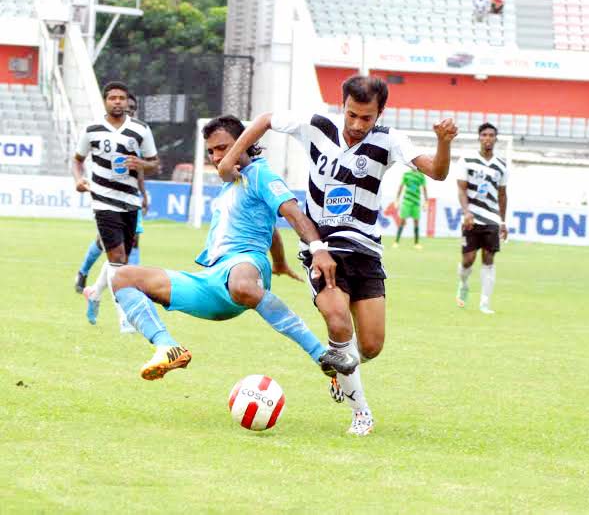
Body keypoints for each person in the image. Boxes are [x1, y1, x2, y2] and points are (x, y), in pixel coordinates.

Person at [217, 75, 458, 435]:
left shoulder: (389, 140)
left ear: (380, 113)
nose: (358, 125)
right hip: (322, 248)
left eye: (367, 118)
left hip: (365, 251)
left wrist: (443, 143)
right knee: (337, 321)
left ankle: (342, 371)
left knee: (372, 346)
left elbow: (437, 172)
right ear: (341, 105)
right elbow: (265, 118)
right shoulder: (316, 126)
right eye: (352, 115)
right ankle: (361, 413)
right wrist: (229, 162)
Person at [110, 115, 358, 383]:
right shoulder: (230, 185)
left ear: (244, 143)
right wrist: (281, 263)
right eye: (211, 151)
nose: (216, 157)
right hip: (212, 279)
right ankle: (167, 346)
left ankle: (322, 354)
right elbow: (270, 227)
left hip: (245, 265)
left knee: (241, 283)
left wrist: (318, 248)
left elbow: (293, 212)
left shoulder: (261, 174)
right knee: (123, 277)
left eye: (223, 148)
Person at [71, 81, 159, 332]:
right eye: (113, 98)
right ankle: (126, 318)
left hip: (130, 201)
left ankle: (94, 293)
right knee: (119, 259)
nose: (118, 102)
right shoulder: (92, 129)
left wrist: (141, 166)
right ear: (105, 101)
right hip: (103, 200)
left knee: (121, 259)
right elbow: (77, 160)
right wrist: (79, 180)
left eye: (121, 98)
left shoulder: (140, 130)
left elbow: (154, 163)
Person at [73, 93, 146, 295]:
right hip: (106, 197)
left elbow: (138, 170)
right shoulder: (105, 135)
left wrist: (144, 195)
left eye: (131, 108)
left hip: (130, 198)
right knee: (103, 241)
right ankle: (83, 271)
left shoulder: (136, 135)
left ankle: (131, 283)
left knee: (133, 239)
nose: (127, 110)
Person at [455, 122, 508, 315]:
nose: (488, 138)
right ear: (479, 137)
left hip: (492, 219)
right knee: (468, 259)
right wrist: (466, 211)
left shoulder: (501, 165)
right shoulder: (467, 160)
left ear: (496, 138)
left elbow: (502, 194)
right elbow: (461, 188)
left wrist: (502, 221)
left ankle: (485, 302)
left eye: (491, 135)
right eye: (484, 135)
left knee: (489, 258)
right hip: (471, 218)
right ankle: (463, 283)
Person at [393, 168, 428, 249]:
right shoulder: (407, 174)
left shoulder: (421, 175)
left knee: (416, 222)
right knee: (402, 221)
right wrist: (397, 200)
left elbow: (424, 189)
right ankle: (396, 242)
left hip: (416, 202)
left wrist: (426, 202)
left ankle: (416, 243)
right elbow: (400, 187)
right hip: (406, 202)